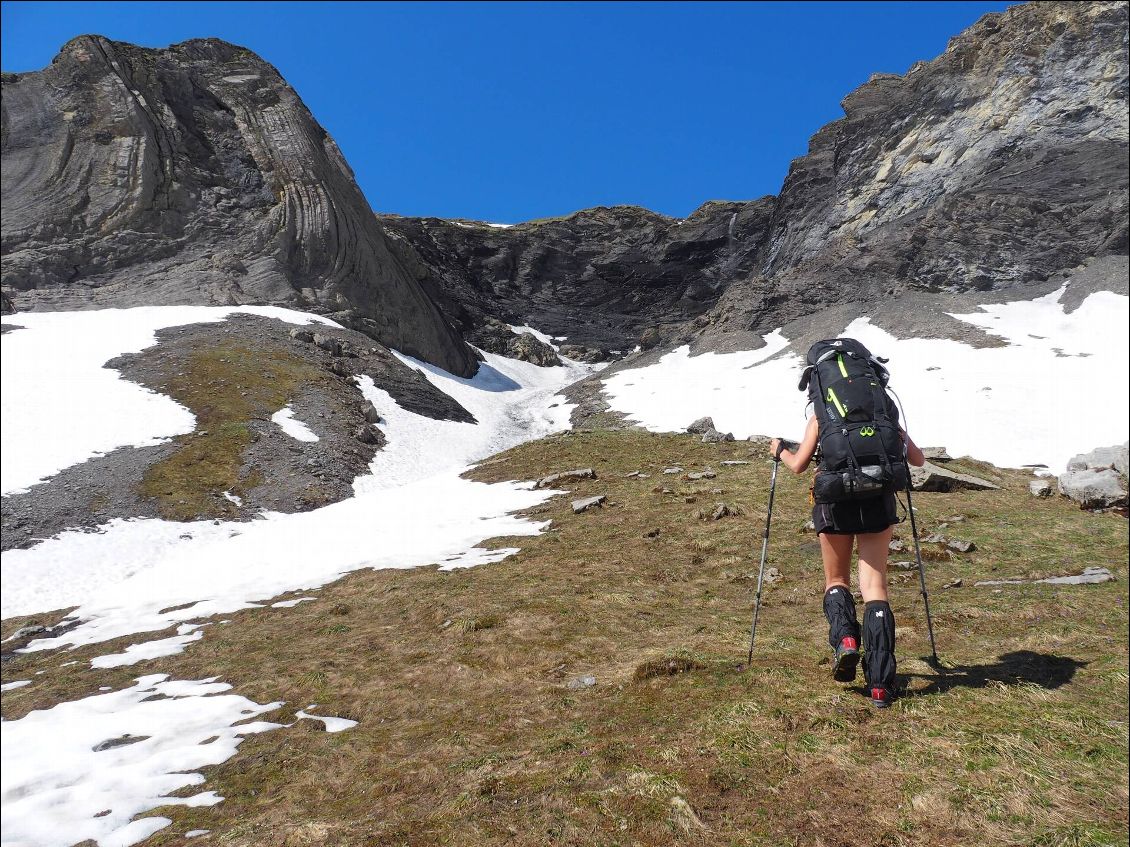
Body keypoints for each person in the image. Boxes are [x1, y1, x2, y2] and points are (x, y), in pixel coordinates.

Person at [769, 421, 925, 707]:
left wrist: (779, 450)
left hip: (834, 498)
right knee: (875, 585)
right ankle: (880, 685)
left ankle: (846, 641)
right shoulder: (882, 407)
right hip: (879, 497)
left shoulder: (823, 412)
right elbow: (917, 459)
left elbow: (798, 464)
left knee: (837, 579)